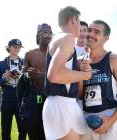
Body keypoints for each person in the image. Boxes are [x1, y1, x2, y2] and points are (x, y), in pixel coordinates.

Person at [42, 6, 92, 140]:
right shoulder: (68, 38)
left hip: (61, 104)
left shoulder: (58, 38)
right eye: (79, 22)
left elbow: (62, 68)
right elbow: (54, 75)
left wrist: (77, 64)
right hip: (62, 104)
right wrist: (85, 75)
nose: (80, 27)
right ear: (74, 20)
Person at [81, 20, 117, 140]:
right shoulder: (81, 61)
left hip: (110, 116)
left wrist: (112, 120)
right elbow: (79, 94)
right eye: (89, 30)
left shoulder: (113, 59)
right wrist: (81, 74)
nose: (91, 34)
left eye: (96, 32)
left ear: (106, 38)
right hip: (86, 118)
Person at [19, 23, 52, 140]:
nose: (48, 36)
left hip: (53, 98)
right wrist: (28, 75)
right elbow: (22, 75)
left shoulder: (57, 54)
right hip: (36, 98)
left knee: (51, 132)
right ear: (38, 35)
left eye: (50, 33)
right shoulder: (30, 54)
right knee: (35, 132)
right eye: (45, 33)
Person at [0, 39, 25, 140]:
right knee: (6, 130)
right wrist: (3, 79)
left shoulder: (25, 62)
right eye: (15, 47)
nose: (17, 49)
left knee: (23, 130)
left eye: (19, 47)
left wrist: (24, 78)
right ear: (9, 48)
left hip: (21, 101)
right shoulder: (1, 64)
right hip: (7, 100)